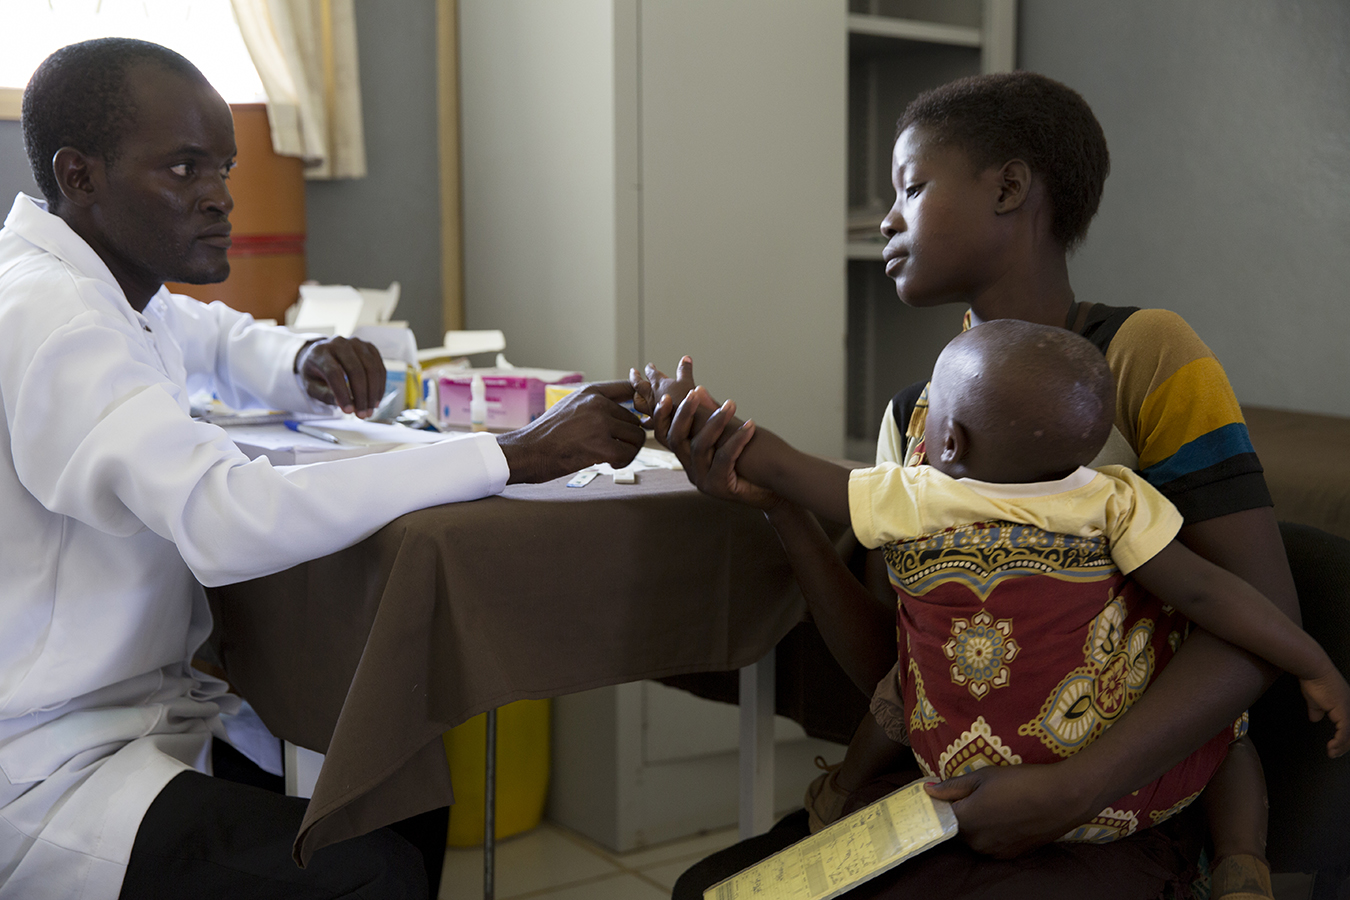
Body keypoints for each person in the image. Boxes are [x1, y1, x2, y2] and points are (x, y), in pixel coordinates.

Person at [635, 72, 1348, 899]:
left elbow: (1260, 620)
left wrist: (1071, 788)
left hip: (1124, 799)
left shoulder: (1146, 354)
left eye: (910, 187)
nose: (886, 219)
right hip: (966, 790)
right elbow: (901, 669)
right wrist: (782, 511)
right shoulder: (918, 419)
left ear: (1009, 186)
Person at [0, 38, 645, 900]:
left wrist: (304, 355)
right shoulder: (56, 317)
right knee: (368, 871)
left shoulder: (110, 288)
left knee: (401, 788)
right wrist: (511, 453)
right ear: (80, 177)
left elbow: (217, 336)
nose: (221, 196)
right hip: (49, 760)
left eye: (223, 166)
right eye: (185, 169)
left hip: (148, 714)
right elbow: (226, 515)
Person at [638, 320, 1350, 899]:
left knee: (903, 687)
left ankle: (839, 788)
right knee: (1228, 734)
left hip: (964, 789)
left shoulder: (916, 497)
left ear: (946, 441)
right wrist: (1311, 659)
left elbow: (779, 463)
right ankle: (1241, 864)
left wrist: (687, 411)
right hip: (1129, 801)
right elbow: (1208, 593)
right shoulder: (1116, 499)